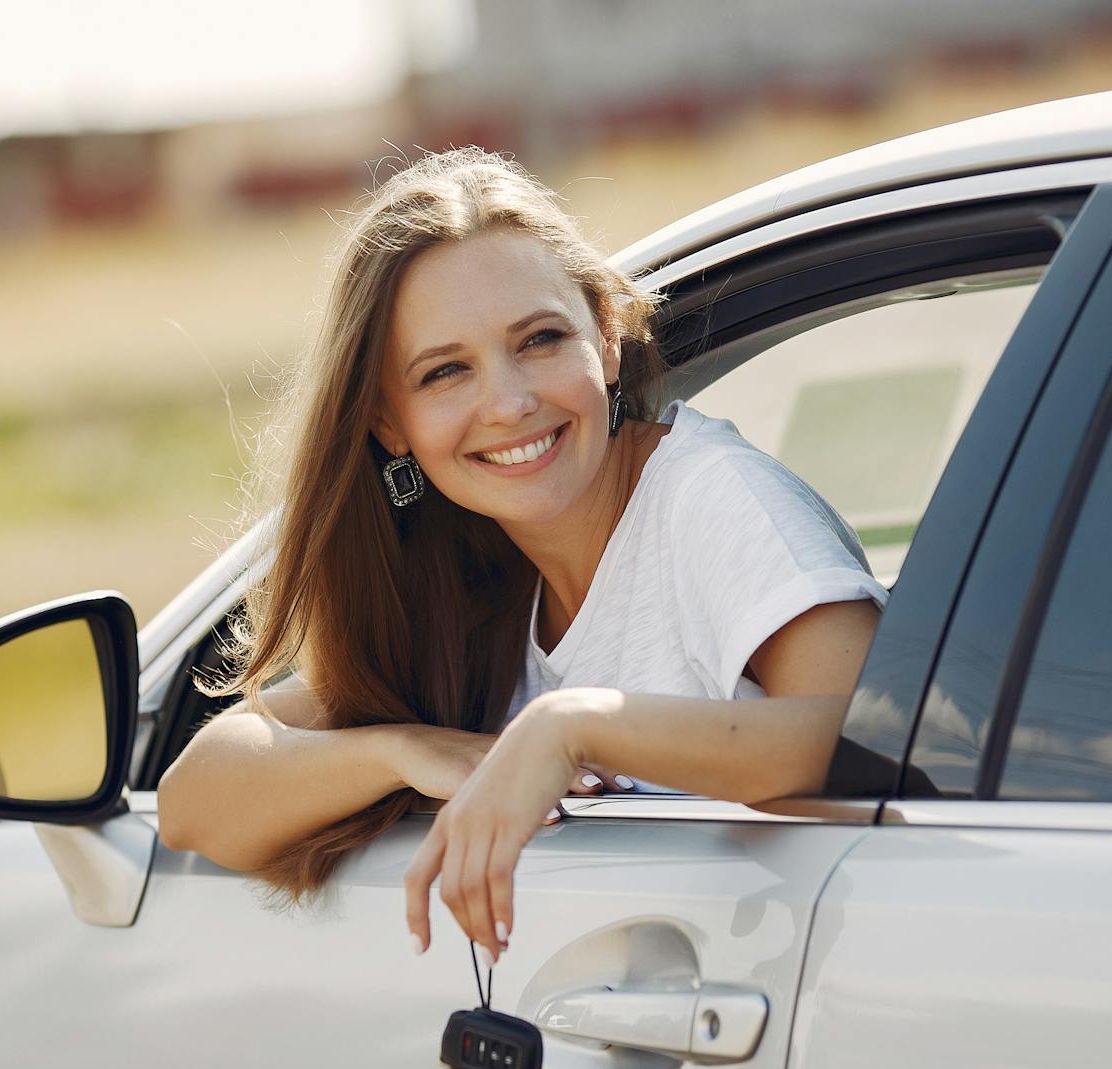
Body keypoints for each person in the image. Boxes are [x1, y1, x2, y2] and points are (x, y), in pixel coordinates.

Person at [156, 147, 885, 965]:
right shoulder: (471, 576)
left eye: (539, 339)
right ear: (388, 423)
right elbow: (194, 799)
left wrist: (573, 728)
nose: (508, 402)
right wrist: (406, 749)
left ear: (605, 340)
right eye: (444, 373)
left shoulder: (713, 499)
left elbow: (887, 746)